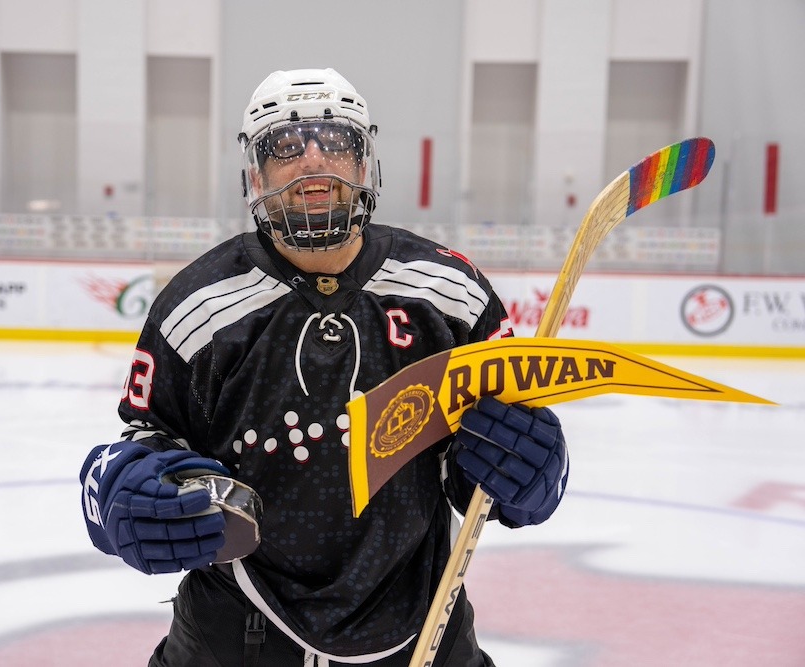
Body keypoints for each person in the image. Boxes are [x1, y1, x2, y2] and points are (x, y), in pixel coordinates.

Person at [79, 68, 570, 666]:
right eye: (285, 145)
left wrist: (535, 472)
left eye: (335, 142)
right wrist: (117, 494)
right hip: (237, 633)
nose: (312, 156)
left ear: (364, 166)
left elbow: (485, 470)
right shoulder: (198, 307)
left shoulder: (450, 293)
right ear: (255, 174)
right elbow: (147, 444)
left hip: (422, 628)